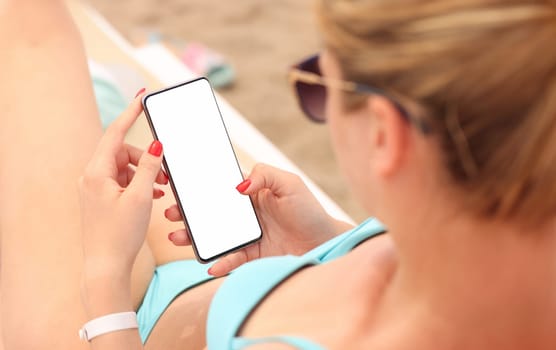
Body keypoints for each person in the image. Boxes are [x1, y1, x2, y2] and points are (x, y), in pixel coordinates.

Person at [1, 0, 555, 349]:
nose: (318, 97)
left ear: (386, 135)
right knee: (137, 130)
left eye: (317, 84)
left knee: (33, 39)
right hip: (234, 272)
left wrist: (103, 275)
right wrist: (330, 242)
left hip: (110, 328)